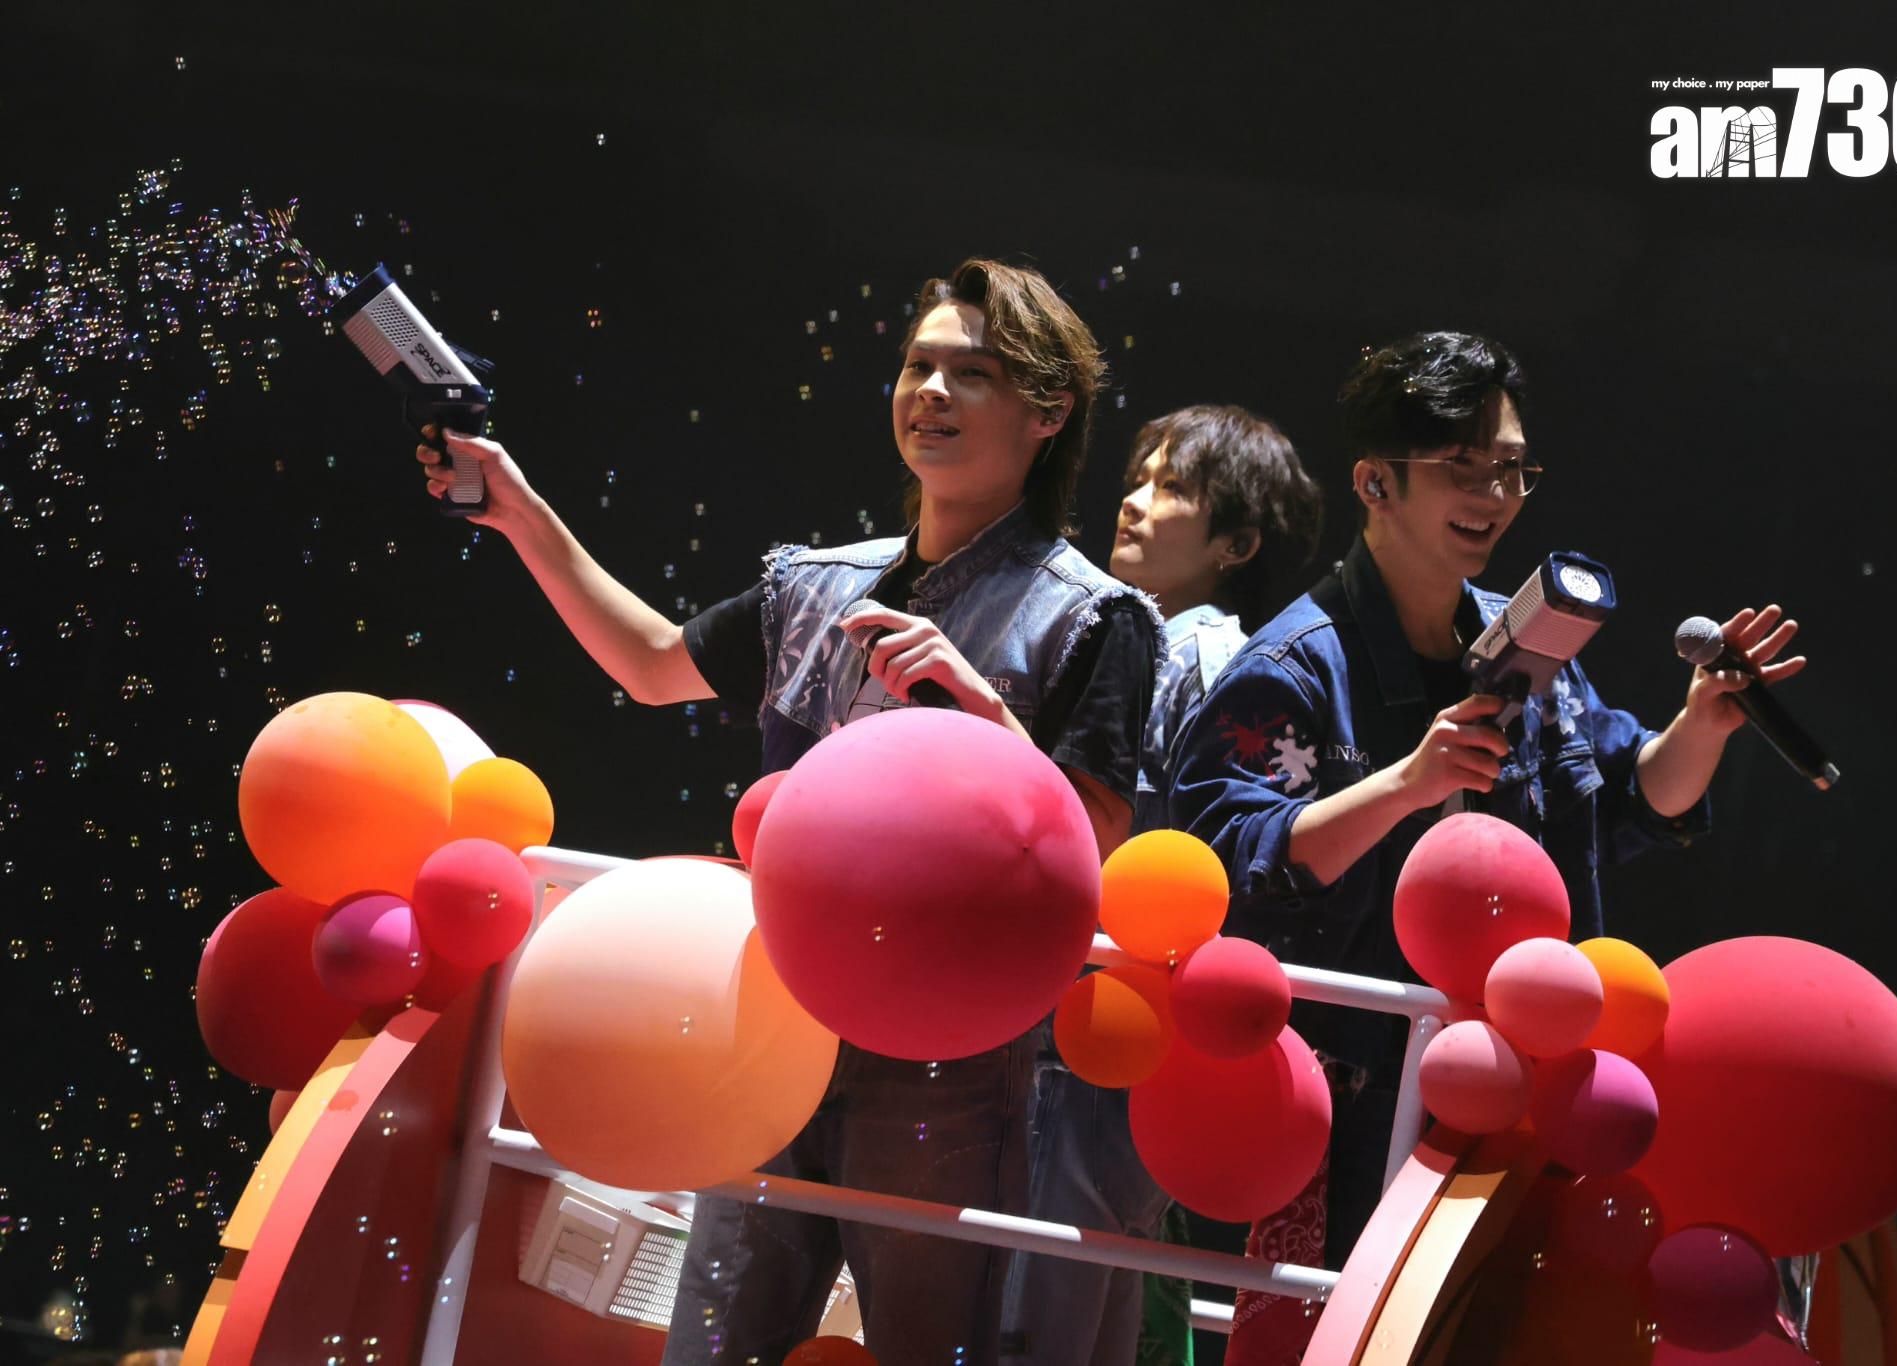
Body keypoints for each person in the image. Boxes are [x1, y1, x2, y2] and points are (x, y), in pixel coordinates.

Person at [416, 258, 1164, 1364]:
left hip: (945, 1063)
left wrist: (986, 713)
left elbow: (1096, 852)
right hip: (761, 1020)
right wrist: (518, 511)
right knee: (715, 1346)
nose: (932, 392)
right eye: (917, 366)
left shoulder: (1096, 619)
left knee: (926, 1348)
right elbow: (652, 663)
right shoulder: (816, 584)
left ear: (1048, 412)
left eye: (973, 373)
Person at [1165, 332, 1809, 1362]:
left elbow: (1626, 806)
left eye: (1511, 468)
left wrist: (1702, 727)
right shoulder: (1293, 665)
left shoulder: (1528, 646)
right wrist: (1404, 784)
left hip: (1523, 1115)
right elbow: (1224, 865)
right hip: (1352, 1116)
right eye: (1462, 467)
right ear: (1375, 482)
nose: (1495, 494)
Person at [1000, 405, 1323, 1366]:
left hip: (1107, 1010)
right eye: (1137, 480)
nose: (1134, 504)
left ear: (1237, 544)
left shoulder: (1190, 650)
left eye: (1172, 488)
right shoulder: (1197, 648)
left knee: (1049, 1287)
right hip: (1144, 1021)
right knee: (1111, 1280)